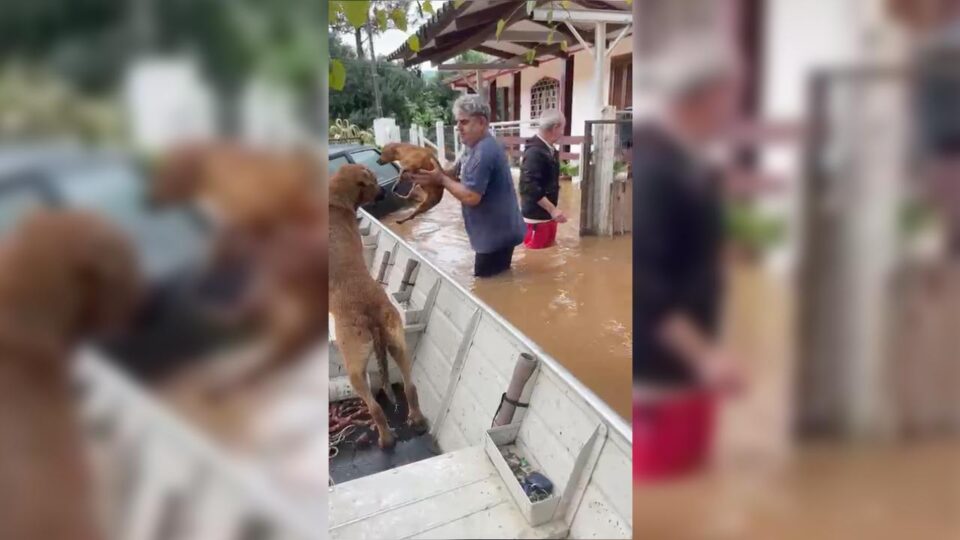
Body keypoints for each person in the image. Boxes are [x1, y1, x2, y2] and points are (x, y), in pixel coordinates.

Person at [633, 45, 745, 481]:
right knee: (665, 484)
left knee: (694, 479)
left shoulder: (690, 161)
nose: (730, 112)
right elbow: (649, 282)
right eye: (725, 100)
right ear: (694, 100)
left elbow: (690, 241)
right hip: (665, 365)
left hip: (690, 360)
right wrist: (705, 356)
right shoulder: (658, 169)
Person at [411, 95, 525, 277]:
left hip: (494, 237)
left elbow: (472, 196)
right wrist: (435, 176)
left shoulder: (484, 151)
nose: (458, 128)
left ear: (481, 122)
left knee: (487, 289)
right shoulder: (474, 146)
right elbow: (454, 175)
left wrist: (441, 180)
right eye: (457, 122)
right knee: (501, 279)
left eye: (464, 122)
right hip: (501, 230)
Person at [519, 110, 567, 249]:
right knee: (535, 258)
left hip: (547, 216)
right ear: (555, 128)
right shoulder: (534, 152)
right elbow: (528, 187)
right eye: (562, 128)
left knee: (549, 253)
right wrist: (552, 209)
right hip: (535, 218)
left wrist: (553, 211)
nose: (563, 132)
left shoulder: (549, 149)